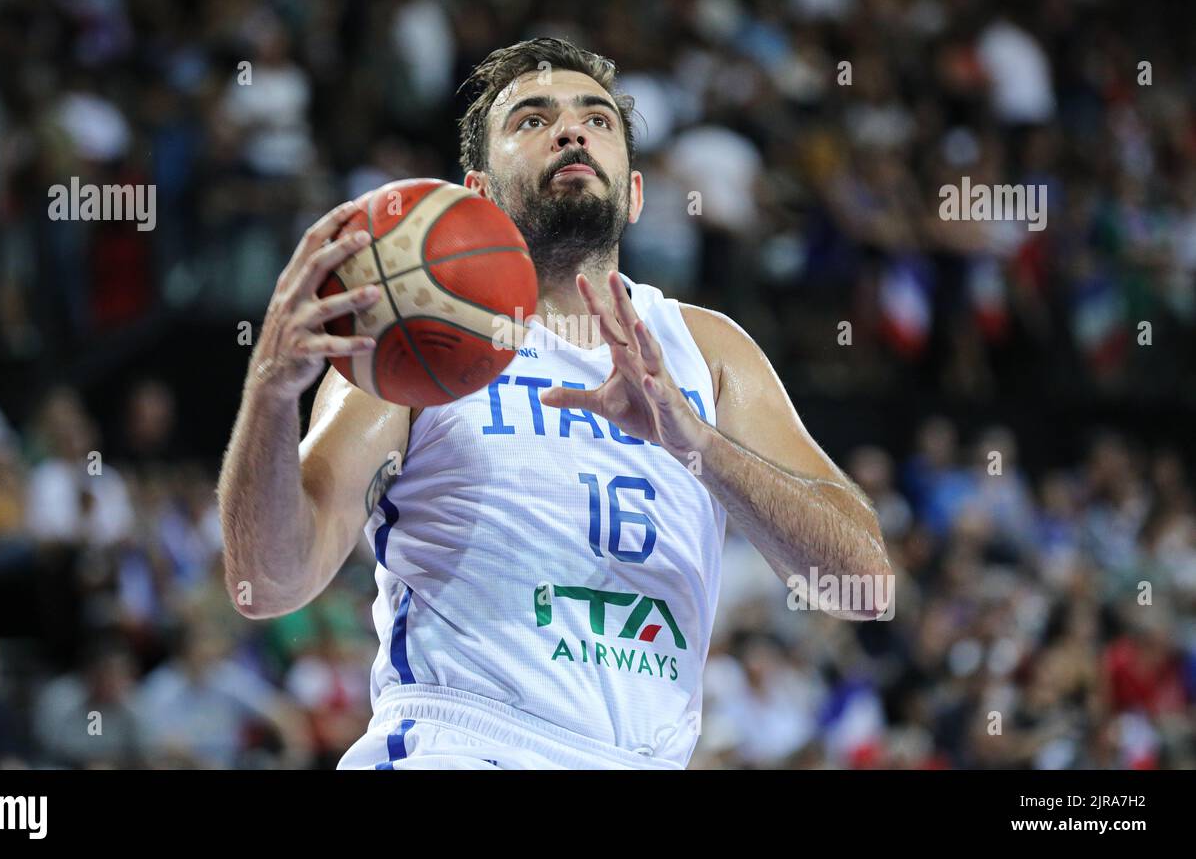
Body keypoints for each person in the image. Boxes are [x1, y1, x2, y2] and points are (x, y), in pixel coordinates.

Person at [217, 38, 892, 769]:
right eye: (532, 119)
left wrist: (696, 442)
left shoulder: (710, 350)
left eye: (597, 120)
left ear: (634, 192)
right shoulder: (412, 350)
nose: (571, 131)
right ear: (475, 194)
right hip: (463, 744)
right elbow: (268, 583)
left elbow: (866, 588)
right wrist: (269, 396)